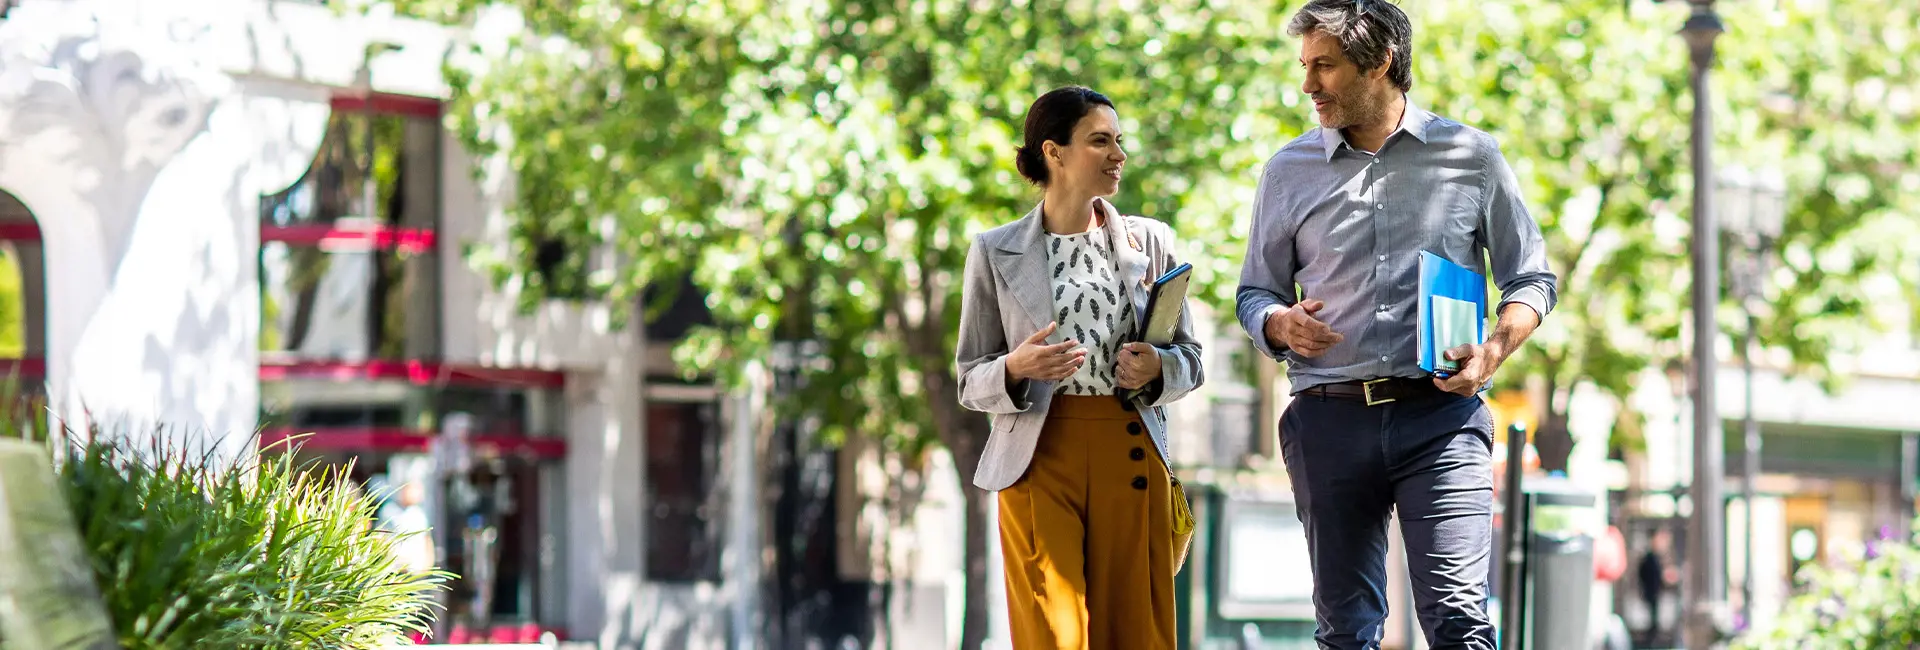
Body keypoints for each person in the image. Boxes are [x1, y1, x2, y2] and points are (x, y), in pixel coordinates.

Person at [1234, 1, 1559, 647]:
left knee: (1460, 619)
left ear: (1380, 61)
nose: (1308, 86)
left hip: (1441, 418)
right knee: (1347, 630)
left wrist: (1495, 349)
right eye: (1306, 66)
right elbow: (1255, 292)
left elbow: (1532, 278)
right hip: (1329, 418)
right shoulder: (1287, 171)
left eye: (1324, 67)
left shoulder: (1471, 156)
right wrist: (1278, 324)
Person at [956, 85, 1205, 649]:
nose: (1118, 155)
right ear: (1055, 152)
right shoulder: (994, 251)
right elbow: (970, 377)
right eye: (1100, 141)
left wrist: (1157, 368)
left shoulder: (1152, 241)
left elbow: (1191, 360)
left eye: (1119, 141)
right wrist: (1015, 368)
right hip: (1037, 458)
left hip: (1130, 451)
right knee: (1052, 635)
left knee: (1134, 634)